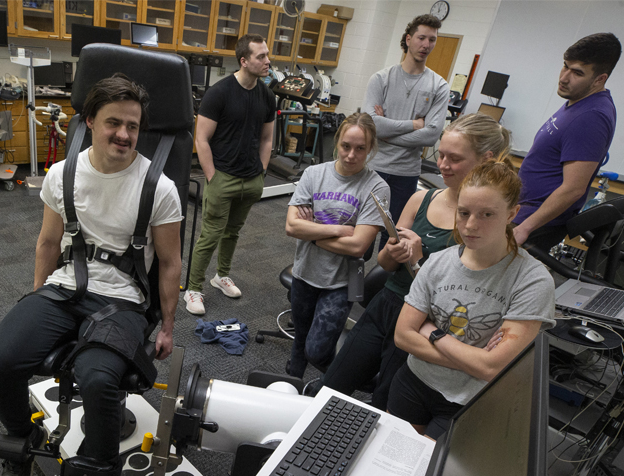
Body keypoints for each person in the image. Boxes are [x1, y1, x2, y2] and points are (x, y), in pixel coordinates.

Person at [0, 74, 182, 476]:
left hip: (125, 300)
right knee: (0, 360)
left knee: (98, 381)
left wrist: (169, 327)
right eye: (113, 122)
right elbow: (48, 244)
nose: (124, 135)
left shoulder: (160, 188)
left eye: (133, 126)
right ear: (89, 121)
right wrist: (34, 300)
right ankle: (21, 439)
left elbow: (172, 264)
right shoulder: (61, 175)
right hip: (63, 288)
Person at [320, 113, 511, 409]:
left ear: (486, 160)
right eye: (441, 155)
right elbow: (384, 263)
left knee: (384, 404)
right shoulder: (421, 200)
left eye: (454, 159)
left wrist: (421, 263)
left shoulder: (481, 225)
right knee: (333, 385)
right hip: (388, 303)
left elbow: (463, 295)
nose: (443, 165)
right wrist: (394, 254)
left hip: (424, 322)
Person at [389, 161, 556, 438]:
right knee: (389, 463)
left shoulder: (532, 281)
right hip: (413, 382)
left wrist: (433, 332)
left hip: (466, 401)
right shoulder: (438, 262)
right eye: (463, 213)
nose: (470, 225)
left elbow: (492, 368)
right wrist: (474, 360)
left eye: (487, 214)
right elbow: (403, 337)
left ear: (512, 214)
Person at [284, 112, 389, 382]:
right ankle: (293, 386)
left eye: (360, 148)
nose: (351, 154)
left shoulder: (377, 187)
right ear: (337, 143)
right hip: (305, 271)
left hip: (345, 281)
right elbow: (292, 227)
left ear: (371, 148)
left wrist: (313, 232)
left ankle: (338, 382)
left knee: (317, 351)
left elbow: (358, 246)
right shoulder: (314, 174)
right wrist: (340, 230)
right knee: (300, 344)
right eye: (346, 146)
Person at [183, 33, 276, 316]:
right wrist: (212, 177)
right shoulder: (219, 92)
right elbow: (201, 139)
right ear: (244, 60)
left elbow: (267, 140)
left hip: (251, 179)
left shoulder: (267, 96)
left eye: (267, 55)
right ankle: (194, 288)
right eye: (261, 56)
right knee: (210, 234)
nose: (267, 61)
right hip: (222, 176)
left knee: (233, 233)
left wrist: (260, 173)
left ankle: (221, 276)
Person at [513, 32, 620, 251]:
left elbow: (573, 189)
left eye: (577, 73)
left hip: (534, 224)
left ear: (600, 79)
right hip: (521, 212)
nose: (564, 77)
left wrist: (524, 228)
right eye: (565, 66)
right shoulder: (578, 101)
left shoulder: (592, 116)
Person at [363, 13, 450, 227]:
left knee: (393, 232)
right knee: (362, 224)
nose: (426, 44)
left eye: (432, 39)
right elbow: (371, 125)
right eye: (421, 38)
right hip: (374, 166)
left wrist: (386, 133)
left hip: (406, 173)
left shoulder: (439, 86)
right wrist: (413, 125)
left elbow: (430, 135)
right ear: (408, 39)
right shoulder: (381, 79)